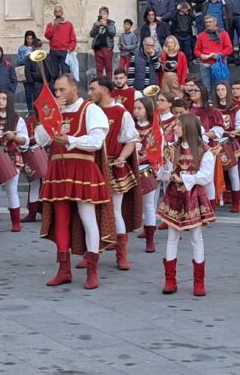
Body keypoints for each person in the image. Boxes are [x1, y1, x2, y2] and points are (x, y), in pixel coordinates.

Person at [37, 74, 114, 289]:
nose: (58, 94)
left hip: (82, 168)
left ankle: (92, 270)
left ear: (73, 89)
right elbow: (40, 139)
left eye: (62, 90)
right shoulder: (54, 110)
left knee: (88, 218)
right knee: (61, 219)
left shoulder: (90, 110)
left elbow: (97, 142)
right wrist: (52, 114)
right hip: (59, 169)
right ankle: (64, 270)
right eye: (56, 90)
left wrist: (70, 139)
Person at [156, 113, 216, 296]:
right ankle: (170, 280)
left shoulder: (204, 150)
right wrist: (165, 168)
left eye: (178, 125)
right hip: (174, 196)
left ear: (188, 127)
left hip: (193, 196)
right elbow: (163, 174)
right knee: (172, 237)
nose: (175, 128)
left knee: (196, 237)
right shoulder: (172, 148)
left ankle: (199, 283)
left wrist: (183, 177)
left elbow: (206, 177)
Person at [90, 76, 141, 271]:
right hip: (92, 166)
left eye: (93, 89)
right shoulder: (89, 110)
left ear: (104, 89)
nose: (90, 93)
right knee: (90, 212)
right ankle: (92, 254)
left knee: (116, 211)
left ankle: (122, 255)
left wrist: (122, 157)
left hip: (112, 165)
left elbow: (130, 140)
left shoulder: (121, 113)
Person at [0, 91, 30, 232]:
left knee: (11, 190)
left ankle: (16, 222)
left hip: (12, 158)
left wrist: (14, 137)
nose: (0, 101)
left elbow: (25, 140)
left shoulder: (18, 120)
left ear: (10, 101)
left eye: (4, 98)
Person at [213, 81, 240, 213]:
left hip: (230, 143)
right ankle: (214, 199)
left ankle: (236, 202)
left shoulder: (236, 108)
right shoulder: (212, 108)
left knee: (233, 173)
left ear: (227, 91)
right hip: (215, 143)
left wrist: (236, 131)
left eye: (222, 89)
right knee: (214, 172)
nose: (220, 92)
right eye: (218, 90)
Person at [133, 97, 161, 253]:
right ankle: (118, 238)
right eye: (135, 108)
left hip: (146, 169)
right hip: (129, 168)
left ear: (148, 110)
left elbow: (160, 149)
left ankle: (150, 240)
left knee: (149, 204)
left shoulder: (155, 128)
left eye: (139, 108)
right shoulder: (130, 126)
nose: (136, 111)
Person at [194, 15, 234, 96]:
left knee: (221, 87)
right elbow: (196, 50)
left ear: (215, 22)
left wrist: (219, 55)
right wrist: (201, 55)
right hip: (205, 64)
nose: (208, 24)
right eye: (206, 22)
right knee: (206, 88)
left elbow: (229, 48)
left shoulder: (223, 34)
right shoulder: (201, 35)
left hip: (219, 64)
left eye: (210, 22)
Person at [44, 5, 77, 80]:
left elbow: (73, 38)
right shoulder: (50, 25)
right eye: (56, 12)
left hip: (65, 51)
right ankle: (55, 89)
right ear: (54, 13)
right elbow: (47, 36)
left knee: (65, 72)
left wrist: (71, 47)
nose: (58, 13)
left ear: (62, 13)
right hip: (53, 51)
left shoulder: (68, 24)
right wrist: (53, 27)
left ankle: (65, 89)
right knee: (54, 73)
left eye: (59, 11)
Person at [89, 6, 117, 78]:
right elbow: (91, 34)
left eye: (104, 14)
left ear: (107, 15)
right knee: (99, 68)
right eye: (101, 14)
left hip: (107, 48)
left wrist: (106, 25)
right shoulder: (96, 24)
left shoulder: (111, 24)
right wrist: (96, 26)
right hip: (98, 48)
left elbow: (113, 33)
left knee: (108, 68)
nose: (103, 15)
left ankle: (109, 84)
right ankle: (99, 84)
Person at [18, 31, 37, 112]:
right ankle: (30, 111)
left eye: (31, 39)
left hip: (36, 73)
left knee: (36, 93)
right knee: (28, 93)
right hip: (26, 73)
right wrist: (26, 57)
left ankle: (36, 111)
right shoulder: (21, 49)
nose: (30, 40)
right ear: (25, 39)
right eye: (28, 38)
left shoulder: (36, 47)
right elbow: (19, 61)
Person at [23, 38, 47, 103]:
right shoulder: (29, 58)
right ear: (33, 47)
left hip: (47, 83)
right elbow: (27, 71)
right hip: (36, 84)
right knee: (38, 102)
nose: (38, 48)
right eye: (36, 46)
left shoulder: (46, 56)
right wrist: (33, 82)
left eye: (40, 46)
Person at [172, 2, 196, 67]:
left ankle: (187, 66)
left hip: (187, 35)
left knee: (187, 53)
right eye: (182, 9)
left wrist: (189, 11)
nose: (184, 10)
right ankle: (179, 66)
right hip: (178, 35)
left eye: (185, 9)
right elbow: (172, 16)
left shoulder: (189, 16)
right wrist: (177, 9)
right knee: (178, 52)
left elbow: (194, 18)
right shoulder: (176, 15)